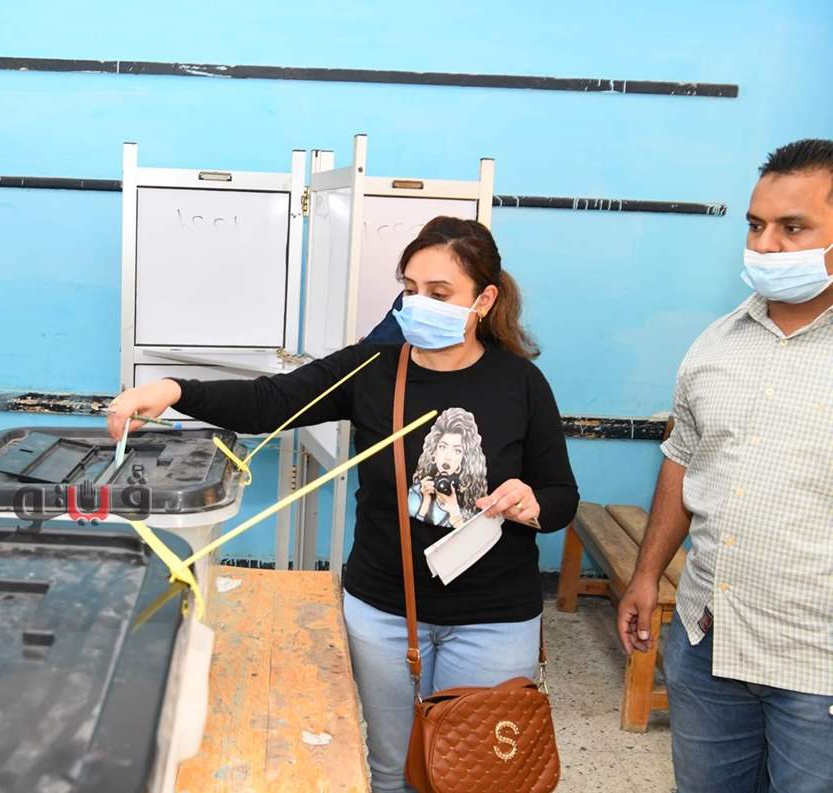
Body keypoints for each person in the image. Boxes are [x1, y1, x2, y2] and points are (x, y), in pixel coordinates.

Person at [109, 216, 579, 792]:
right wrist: (175, 390)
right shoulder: (372, 369)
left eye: (439, 294)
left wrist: (531, 503)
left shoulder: (521, 384)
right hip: (385, 612)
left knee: (475, 779)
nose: (419, 304)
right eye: (410, 289)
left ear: (484, 300)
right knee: (391, 770)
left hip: (494, 619)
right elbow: (269, 402)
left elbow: (562, 498)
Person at [616, 138, 833, 793]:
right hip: (707, 638)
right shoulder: (715, 343)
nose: (765, 245)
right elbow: (682, 461)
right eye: (755, 225)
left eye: (792, 227)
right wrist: (646, 574)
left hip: (816, 662)